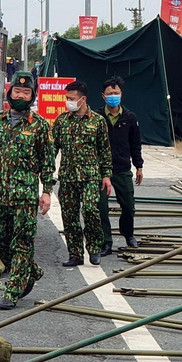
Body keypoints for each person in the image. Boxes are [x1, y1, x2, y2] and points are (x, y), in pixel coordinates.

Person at [0, 71, 55, 310]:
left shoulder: (39, 126)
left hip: (25, 196)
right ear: (10, 93)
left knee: (22, 243)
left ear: (32, 96)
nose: (21, 95)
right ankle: (30, 270)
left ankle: (13, 291)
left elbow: (47, 162)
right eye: (17, 91)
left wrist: (46, 191)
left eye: (26, 93)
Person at [51, 80, 112, 266]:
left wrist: (106, 175)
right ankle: (75, 254)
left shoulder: (98, 121)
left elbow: (105, 150)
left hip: (91, 176)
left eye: (72, 98)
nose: (68, 101)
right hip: (68, 176)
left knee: (90, 210)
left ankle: (94, 248)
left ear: (83, 99)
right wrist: (45, 170)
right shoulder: (62, 121)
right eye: (67, 98)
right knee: (69, 216)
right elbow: (53, 149)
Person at [95, 76, 144, 256]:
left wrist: (138, 166)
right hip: (101, 171)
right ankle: (105, 242)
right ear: (103, 96)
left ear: (121, 94)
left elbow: (135, 144)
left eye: (116, 93)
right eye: (109, 94)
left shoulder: (130, 117)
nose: (113, 96)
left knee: (128, 206)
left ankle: (128, 234)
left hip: (123, 168)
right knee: (101, 207)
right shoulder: (97, 117)